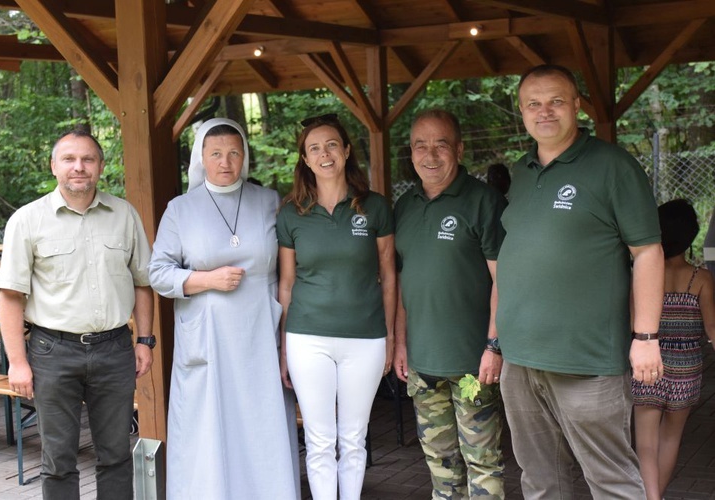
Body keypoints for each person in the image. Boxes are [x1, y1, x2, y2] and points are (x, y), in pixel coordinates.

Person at [495, 64, 665, 498]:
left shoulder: (612, 167)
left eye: (555, 101)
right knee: (539, 479)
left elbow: (647, 252)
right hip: (521, 359)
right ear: (521, 111)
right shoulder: (522, 170)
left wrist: (646, 336)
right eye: (533, 103)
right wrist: (495, 343)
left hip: (587, 361)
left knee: (609, 480)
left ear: (576, 105)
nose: (544, 111)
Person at [0, 129, 155, 500]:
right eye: (69, 159)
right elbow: (10, 296)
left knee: (116, 453)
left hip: (115, 349)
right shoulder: (27, 220)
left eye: (87, 159)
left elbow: (143, 284)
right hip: (53, 352)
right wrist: (17, 362)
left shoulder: (124, 215)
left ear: (100, 166)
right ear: (54, 166)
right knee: (58, 457)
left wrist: (145, 340)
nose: (78, 167)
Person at [148, 118, 300, 499]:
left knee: (260, 421)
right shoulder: (180, 209)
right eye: (215, 153)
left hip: (258, 333)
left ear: (244, 156)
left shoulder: (268, 200)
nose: (225, 162)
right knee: (210, 426)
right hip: (208, 337)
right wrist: (206, 280)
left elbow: (288, 268)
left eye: (234, 152)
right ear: (201, 158)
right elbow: (158, 273)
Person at [277, 113, 395, 500]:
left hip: (366, 337)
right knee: (319, 438)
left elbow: (389, 275)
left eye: (331, 145)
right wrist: (282, 346)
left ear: (346, 151)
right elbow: (287, 283)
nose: (324, 154)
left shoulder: (374, 207)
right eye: (314, 148)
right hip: (307, 337)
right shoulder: (292, 213)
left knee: (354, 437)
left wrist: (391, 337)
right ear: (305, 159)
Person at [393, 109, 507, 499]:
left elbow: (504, 281)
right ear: (410, 153)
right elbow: (403, 281)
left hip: (474, 364)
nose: (430, 155)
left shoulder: (484, 202)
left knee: (483, 462)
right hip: (423, 366)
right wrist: (402, 344)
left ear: (458, 149)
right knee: (440, 465)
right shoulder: (404, 207)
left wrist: (494, 345)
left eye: (440, 144)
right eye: (420, 146)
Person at [632, 199, 715, 500]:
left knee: (646, 444)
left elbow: (634, 324)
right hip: (687, 369)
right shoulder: (702, 279)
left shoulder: (643, 276)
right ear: (691, 235)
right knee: (670, 439)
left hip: (648, 365)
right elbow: (712, 329)